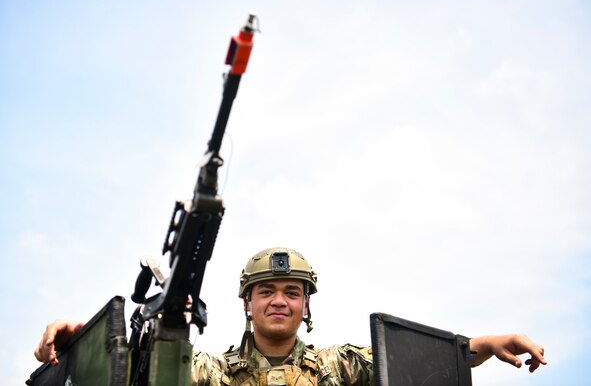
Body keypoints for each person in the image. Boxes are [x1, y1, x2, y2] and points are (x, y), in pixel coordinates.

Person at [35, 247, 547, 385]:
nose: (278, 300)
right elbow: (134, 368)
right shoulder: (211, 374)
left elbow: (421, 368)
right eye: (266, 292)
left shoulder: (339, 367)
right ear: (247, 304)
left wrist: (487, 343)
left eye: (291, 292)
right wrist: (78, 337)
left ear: (306, 306)